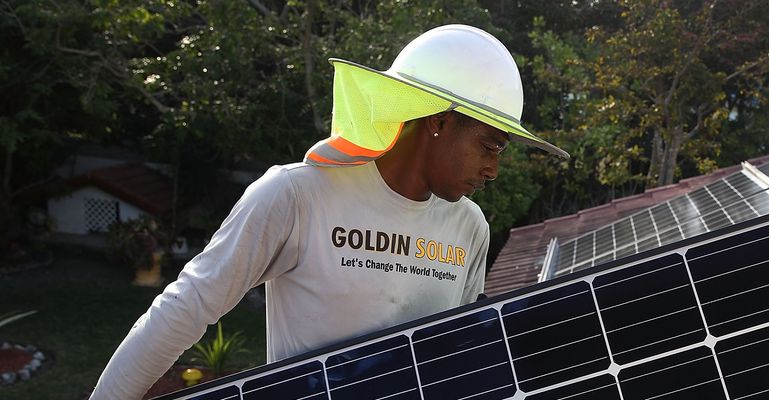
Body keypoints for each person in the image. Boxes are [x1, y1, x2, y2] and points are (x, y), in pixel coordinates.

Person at [90, 24, 568, 399]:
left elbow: (453, 351)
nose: (493, 169)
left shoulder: (470, 229)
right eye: (490, 146)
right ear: (439, 122)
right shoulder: (298, 196)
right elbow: (186, 306)